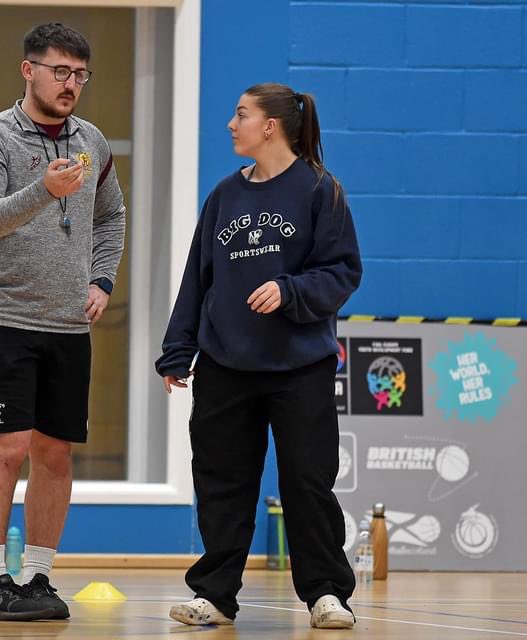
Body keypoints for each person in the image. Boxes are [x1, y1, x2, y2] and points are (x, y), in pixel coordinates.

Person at [155, 83, 362, 630]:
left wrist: (290, 291)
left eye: (241, 114)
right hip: (225, 365)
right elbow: (197, 278)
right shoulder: (225, 195)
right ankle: (215, 595)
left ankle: (326, 593)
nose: (231, 124)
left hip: (300, 366)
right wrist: (178, 349)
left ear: (270, 126)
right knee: (221, 483)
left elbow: (343, 272)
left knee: (307, 482)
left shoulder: (320, 190)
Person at [0, 23, 126, 621]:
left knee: (56, 455)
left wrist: (101, 280)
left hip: (67, 325)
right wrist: (43, 191)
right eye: (60, 72)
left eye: (80, 74)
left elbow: (111, 216)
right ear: (28, 70)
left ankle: (37, 578)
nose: (71, 84)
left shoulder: (92, 141)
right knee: (6, 449)